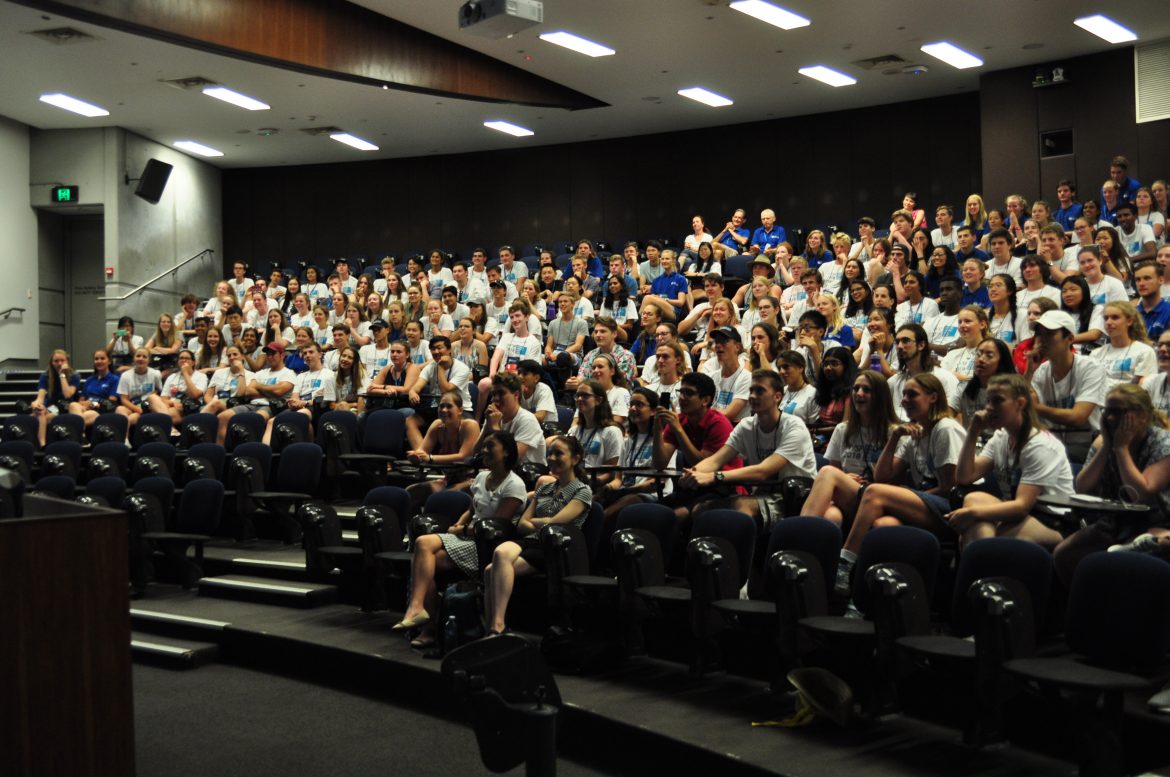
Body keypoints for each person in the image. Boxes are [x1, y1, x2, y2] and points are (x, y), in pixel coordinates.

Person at [834, 373, 966, 596]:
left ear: (933, 397)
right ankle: (866, 595)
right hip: (922, 504)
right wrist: (895, 437)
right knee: (884, 524)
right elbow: (883, 476)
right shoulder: (914, 431)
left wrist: (905, 495)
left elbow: (950, 487)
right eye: (903, 394)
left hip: (951, 512)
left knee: (875, 493)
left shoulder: (945, 428)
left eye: (912, 394)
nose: (904, 399)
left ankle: (845, 563)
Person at [395, 430, 524, 647]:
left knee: (425, 561)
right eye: (484, 446)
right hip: (467, 537)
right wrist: (460, 523)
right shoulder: (482, 477)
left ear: (506, 453)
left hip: (487, 545)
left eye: (490, 446)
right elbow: (472, 510)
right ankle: (419, 609)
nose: (484, 451)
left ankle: (429, 626)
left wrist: (463, 531)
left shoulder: (514, 484)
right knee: (422, 545)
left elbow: (497, 526)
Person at [1053, 384, 1170, 585]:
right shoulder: (1104, 442)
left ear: (1142, 416)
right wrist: (1108, 446)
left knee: (1138, 552)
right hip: (1115, 522)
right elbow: (1083, 487)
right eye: (1107, 411)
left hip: (1158, 521)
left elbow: (1140, 495)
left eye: (1118, 412)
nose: (1110, 419)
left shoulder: (1163, 443)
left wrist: (1122, 449)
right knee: (1063, 554)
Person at [681, 369, 817, 536]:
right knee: (701, 509)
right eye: (751, 390)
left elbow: (763, 471)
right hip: (760, 496)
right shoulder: (746, 425)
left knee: (741, 507)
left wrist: (715, 476)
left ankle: (742, 559)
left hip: (796, 499)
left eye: (760, 391)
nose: (752, 396)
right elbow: (716, 459)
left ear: (777, 397)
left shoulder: (794, 427)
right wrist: (693, 473)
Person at [947, 374, 1074, 548]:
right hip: (1019, 514)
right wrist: (973, 432)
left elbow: (1022, 506)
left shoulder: (1040, 445)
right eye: (988, 401)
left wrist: (973, 514)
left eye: (997, 401)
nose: (990, 408)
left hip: (1052, 521)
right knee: (974, 498)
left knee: (982, 530)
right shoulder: (1001, 437)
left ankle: (982, 559)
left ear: (1020, 404)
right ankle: (985, 559)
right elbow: (964, 477)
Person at [484, 434, 591, 634]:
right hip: (531, 541)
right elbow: (522, 524)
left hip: (555, 548)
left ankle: (495, 627)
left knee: (492, 570)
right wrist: (538, 523)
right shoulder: (544, 488)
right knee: (499, 555)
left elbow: (554, 524)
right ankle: (494, 626)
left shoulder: (582, 491)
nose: (552, 458)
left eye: (559, 453)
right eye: (550, 453)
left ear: (575, 459)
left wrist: (536, 522)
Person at [801, 370, 898, 525]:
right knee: (831, 516)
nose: (859, 394)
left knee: (826, 472)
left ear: (880, 396)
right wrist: (844, 479)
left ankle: (798, 533)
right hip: (848, 496)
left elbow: (896, 479)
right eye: (856, 389)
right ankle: (804, 542)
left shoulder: (894, 432)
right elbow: (836, 470)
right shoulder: (842, 429)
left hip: (879, 496)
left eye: (866, 390)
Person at [1028, 310, 1107, 463]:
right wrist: (1029, 371)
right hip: (1051, 447)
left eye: (1049, 334)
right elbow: (1023, 407)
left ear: (1070, 339)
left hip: (1087, 447)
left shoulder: (1090, 367)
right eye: (1039, 334)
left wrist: (1035, 407)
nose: (1042, 340)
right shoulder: (1041, 371)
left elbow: (1078, 417)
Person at [401, 388, 482, 513]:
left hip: (472, 481)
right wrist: (416, 456)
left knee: (442, 496)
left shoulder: (470, 425)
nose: (444, 410)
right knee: (411, 492)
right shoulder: (437, 425)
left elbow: (464, 456)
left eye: (449, 406)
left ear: (460, 410)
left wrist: (431, 458)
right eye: (441, 406)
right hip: (448, 480)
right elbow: (422, 451)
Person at [602, 387, 672, 515]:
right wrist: (608, 488)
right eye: (631, 405)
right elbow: (619, 479)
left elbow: (657, 482)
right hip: (626, 492)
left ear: (652, 411)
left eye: (639, 405)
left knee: (619, 506)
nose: (633, 409)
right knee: (593, 500)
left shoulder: (664, 441)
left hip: (654, 495)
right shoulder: (628, 441)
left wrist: (627, 491)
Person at [215, 342, 296, 444]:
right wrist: (271, 391)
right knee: (223, 416)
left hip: (271, 406)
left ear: (282, 355)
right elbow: (247, 391)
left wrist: (259, 386)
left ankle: (253, 450)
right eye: (268, 354)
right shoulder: (261, 373)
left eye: (273, 354)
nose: (270, 357)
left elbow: (279, 391)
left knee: (256, 418)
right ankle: (221, 450)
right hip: (252, 404)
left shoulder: (289, 373)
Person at [406, 335, 472, 447]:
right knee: (411, 420)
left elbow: (445, 391)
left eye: (439, 348)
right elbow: (417, 387)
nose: (436, 351)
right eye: (433, 349)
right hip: (437, 408)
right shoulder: (430, 367)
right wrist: (412, 392)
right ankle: (420, 454)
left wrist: (440, 367)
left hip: (460, 410)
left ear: (449, 349)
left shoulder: (462, 368)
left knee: (447, 421)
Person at [889, 323, 961, 420]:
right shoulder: (893, 381)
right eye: (897, 342)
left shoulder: (945, 378)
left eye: (905, 341)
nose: (900, 346)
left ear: (921, 345)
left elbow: (951, 416)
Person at [479, 372, 547, 467]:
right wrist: (487, 426)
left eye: (501, 393)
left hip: (525, 475)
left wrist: (495, 429)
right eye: (494, 394)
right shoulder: (493, 416)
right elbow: (476, 452)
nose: (496, 398)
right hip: (497, 470)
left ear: (516, 395)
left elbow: (511, 460)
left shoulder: (527, 420)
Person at [1089, 301, 1157, 391]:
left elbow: (1145, 388)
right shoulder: (1095, 353)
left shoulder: (1144, 351)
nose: (1108, 322)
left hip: (1128, 401)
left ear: (1129, 321)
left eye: (1115, 317)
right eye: (1106, 318)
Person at [958, 337, 1016, 425]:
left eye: (989, 356)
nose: (981, 359)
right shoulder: (964, 387)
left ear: (1002, 362)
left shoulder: (1011, 391)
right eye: (978, 354)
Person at [30, 349, 79, 445]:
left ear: (67, 361)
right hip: (51, 408)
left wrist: (62, 375)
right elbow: (40, 396)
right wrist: (36, 404)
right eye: (56, 361)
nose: (59, 363)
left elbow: (68, 394)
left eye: (62, 360)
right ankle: (42, 445)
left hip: (66, 408)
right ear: (52, 363)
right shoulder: (45, 376)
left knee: (40, 418)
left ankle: (42, 443)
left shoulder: (75, 375)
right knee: (36, 413)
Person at [147, 349, 207, 423]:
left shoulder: (201, 376)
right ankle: (171, 427)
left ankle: (167, 423)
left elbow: (195, 395)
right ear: (178, 362)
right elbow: (163, 398)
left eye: (187, 358)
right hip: (171, 405)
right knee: (152, 397)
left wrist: (185, 373)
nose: (183, 360)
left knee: (157, 416)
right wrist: (172, 403)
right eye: (181, 358)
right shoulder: (172, 376)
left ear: (193, 362)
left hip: (188, 408)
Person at [68, 350, 120, 428]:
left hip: (100, 411)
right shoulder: (89, 380)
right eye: (96, 359)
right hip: (85, 408)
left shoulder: (115, 379)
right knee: (73, 405)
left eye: (102, 358)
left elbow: (111, 402)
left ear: (109, 361)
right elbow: (81, 400)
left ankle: (79, 436)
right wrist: (85, 404)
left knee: (76, 419)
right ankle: (81, 435)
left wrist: (93, 404)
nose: (99, 361)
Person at [115, 348, 163, 431]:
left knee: (130, 419)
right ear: (134, 358)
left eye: (144, 357)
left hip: (149, 405)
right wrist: (137, 409)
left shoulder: (155, 374)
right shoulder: (125, 376)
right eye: (138, 356)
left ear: (149, 360)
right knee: (120, 409)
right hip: (132, 406)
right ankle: (125, 441)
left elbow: (158, 391)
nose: (141, 359)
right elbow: (124, 399)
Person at [366, 340, 421, 413]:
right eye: (392, 352)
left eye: (399, 352)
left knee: (407, 412)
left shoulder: (413, 367)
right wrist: (385, 392)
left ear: (407, 355)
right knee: (362, 416)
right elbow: (370, 389)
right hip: (386, 406)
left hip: (405, 406)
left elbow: (407, 390)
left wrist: (383, 386)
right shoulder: (387, 368)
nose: (394, 354)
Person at [941, 305, 990, 383]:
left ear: (982, 324)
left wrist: (962, 378)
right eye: (960, 322)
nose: (962, 325)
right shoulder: (952, 354)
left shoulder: (991, 353)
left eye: (967, 321)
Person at [1059, 275, 1105, 353]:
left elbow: (1094, 334)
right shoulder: (1060, 314)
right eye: (1064, 291)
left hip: (1089, 355)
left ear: (1084, 291)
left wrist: (1063, 340)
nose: (1068, 294)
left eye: (1073, 289)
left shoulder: (1097, 309)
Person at [640, 250, 689, 322]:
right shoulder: (656, 280)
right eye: (662, 259)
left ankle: (639, 322)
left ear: (673, 260)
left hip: (673, 311)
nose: (664, 261)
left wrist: (665, 300)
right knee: (649, 302)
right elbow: (652, 300)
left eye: (667, 259)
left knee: (647, 298)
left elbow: (681, 302)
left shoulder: (680, 279)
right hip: (657, 310)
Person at [776, 349, 820, 429]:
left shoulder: (812, 394)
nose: (781, 371)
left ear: (800, 368)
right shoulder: (782, 391)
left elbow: (814, 428)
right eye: (779, 368)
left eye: (786, 367)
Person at [925, 277, 965, 357]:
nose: (944, 293)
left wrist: (924, 346)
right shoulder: (930, 321)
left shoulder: (967, 321)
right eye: (941, 290)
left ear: (960, 293)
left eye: (949, 289)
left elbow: (956, 347)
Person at [646, 339, 689, 411]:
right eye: (658, 357)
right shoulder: (648, 390)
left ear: (678, 360)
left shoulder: (685, 390)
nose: (660, 360)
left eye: (665, 357)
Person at [986, 274, 1026, 346]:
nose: (993, 289)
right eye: (990, 286)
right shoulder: (984, 316)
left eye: (998, 285)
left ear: (1010, 291)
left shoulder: (1023, 315)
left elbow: (1026, 348)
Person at [333, 346, 364, 413]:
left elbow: (361, 399)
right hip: (338, 410)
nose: (345, 359)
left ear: (354, 362)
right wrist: (350, 405)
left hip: (356, 410)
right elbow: (331, 405)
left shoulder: (361, 374)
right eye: (343, 356)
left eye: (350, 357)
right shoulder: (332, 377)